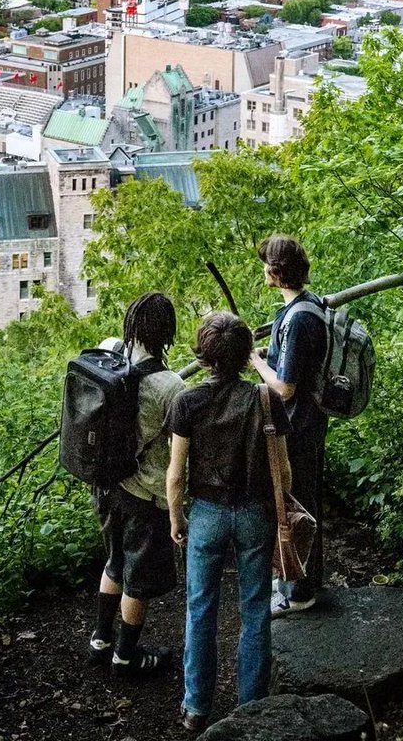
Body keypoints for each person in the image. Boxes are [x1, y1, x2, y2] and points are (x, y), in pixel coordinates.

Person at [166, 311, 292, 733]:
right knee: (255, 609)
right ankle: (251, 706)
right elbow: (285, 470)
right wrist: (280, 514)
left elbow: (176, 474)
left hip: (207, 515)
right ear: (244, 355)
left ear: (203, 354)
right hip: (256, 513)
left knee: (201, 609)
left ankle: (196, 707)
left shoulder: (187, 401)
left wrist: (176, 517)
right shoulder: (264, 397)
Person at [89, 291, 185, 676]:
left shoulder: (112, 360)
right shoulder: (170, 386)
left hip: (108, 487)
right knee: (138, 580)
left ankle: (100, 640)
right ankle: (126, 658)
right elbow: (178, 448)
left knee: (114, 561)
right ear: (166, 333)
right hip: (145, 496)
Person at [249, 234, 328, 617]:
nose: (262, 268)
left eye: (266, 264)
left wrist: (256, 362)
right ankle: (303, 583)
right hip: (307, 424)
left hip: (299, 427)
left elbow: (284, 387)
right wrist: (272, 354)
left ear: (277, 273)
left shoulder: (298, 319)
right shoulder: (306, 306)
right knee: (303, 502)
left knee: (296, 508)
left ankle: (300, 593)